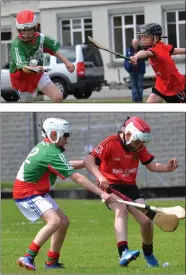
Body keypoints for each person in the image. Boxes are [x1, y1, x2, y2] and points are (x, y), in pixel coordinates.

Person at [13, 118, 115, 271]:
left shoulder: (48, 148)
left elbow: (64, 164)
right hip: (27, 193)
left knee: (63, 221)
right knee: (54, 221)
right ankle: (28, 256)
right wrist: (102, 193)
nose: (67, 139)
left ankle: (51, 262)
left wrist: (84, 163)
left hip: (36, 191)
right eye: (65, 135)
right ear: (54, 134)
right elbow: (77, 178)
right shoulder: (51, 152)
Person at [83, 116, 178, 267]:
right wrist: (101, 178)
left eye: (141, 142)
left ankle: (148, 253)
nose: (139, 145)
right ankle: (124, 252)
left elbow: (151, 165)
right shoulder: (110, 142)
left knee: (146, 221)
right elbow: (88, 160)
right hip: (111, 186)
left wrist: (166, 168)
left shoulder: (138, 146)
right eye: (137, 141)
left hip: (130, 187)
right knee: (121, 210)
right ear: (128, 135)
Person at [10, 10, 75, 103]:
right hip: (21, 78)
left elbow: (54, 49)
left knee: (58, 97)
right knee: (28, 105)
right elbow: (23, 68)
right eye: (24, 30)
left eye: (29, 29)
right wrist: (35, 69)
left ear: (35, 27)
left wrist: (67, 62)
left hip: (38, 74)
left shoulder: (41, 38)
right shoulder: (16, 45)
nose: (27, 33)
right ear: (18, 30)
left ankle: (53, 118)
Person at [130, 23, 186, 103]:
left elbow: (145, 53)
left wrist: (136, 57)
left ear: (156, 37)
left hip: (176, 87)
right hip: (161, 86)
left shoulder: (155, 49)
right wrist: (136, 57)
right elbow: (173, 50)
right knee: (147, 109)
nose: (142, 39)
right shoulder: (161, 46)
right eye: (141, 36)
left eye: (146, 37)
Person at [124, 39, 146, 103]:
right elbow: (126, 61)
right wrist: (128, 67)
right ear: (132, 43)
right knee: (134, 85)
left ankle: (140, 99)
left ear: (138, 43)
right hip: (132, 71)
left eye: (136, 43)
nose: (135, 45)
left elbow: (145, 58)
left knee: (140, 85)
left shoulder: (141, 50)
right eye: (134, 43)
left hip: (140, 70)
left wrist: (138, 56)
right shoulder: (128, 50)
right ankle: (135, 99)